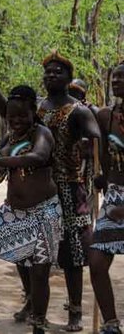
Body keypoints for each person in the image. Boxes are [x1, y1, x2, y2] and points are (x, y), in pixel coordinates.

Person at [0, 52, 101, 331]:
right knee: (26, 249)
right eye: (47, 72)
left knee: (71, 254)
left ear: (69, 78)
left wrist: (90, 151)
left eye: (57, 72)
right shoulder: (38, 107)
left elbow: (97, 138)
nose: (51, 76)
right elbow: (8, 111)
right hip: (34, 186)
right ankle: (33, 301)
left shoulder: (79, 110)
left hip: (69, 186)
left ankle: (75, 310)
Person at [0, 86, 62, 334]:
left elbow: (38, 157)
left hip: (43, 213)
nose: (16, 121)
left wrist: (0, 161)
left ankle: (38, 323)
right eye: (11, 117)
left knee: (40, 273)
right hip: (13, 211)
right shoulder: (9, 140)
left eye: (22, 115)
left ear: (33, 112)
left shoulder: (43, 133)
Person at [90, 63, 124, 334]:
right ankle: (111, 324)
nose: (117, 81)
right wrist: (102, 176)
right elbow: (101, 155)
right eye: (115, 77)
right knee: (97, 262)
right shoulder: (105, 116)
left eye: (123, 78)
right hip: (114, 196)